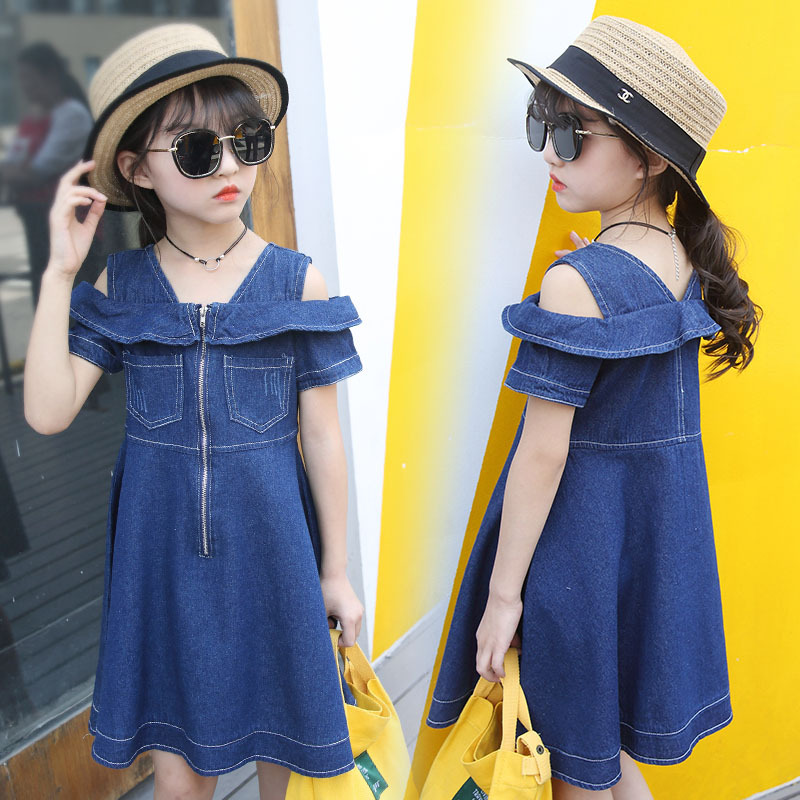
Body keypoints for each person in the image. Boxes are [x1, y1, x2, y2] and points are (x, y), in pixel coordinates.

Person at [23, 24, 364, 800]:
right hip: (163, 572)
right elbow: (46, 412)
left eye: (247, 141)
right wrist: (59, 274)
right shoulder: (121, 287)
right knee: (182, 787)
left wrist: (336, 573)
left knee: (287, 774)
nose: (232, 166)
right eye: (199, 150)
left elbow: (322, 436)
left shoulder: (296, 283)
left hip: (276, 559)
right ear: (136, 167)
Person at [426, 16, 760, 800]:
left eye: (572, 134)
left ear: (651, 158)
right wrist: (588, 279)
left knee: (575, 772)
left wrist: (502, 598)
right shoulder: (679, 258)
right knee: (606, 755)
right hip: (653, 551)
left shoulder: (578, 284)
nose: (549, 152)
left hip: (574, 558)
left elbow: (543, 453)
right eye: (543, 125)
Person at [0, 42, 93, 305]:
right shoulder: (35, 116)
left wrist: (15, 171)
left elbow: (36, 170)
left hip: (63, 219)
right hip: (36, 216)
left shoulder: (71, 115)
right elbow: (14, 162)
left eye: (29, 78)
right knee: (43, 289)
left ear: (50, 74)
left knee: (64, 295)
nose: (25, 86)